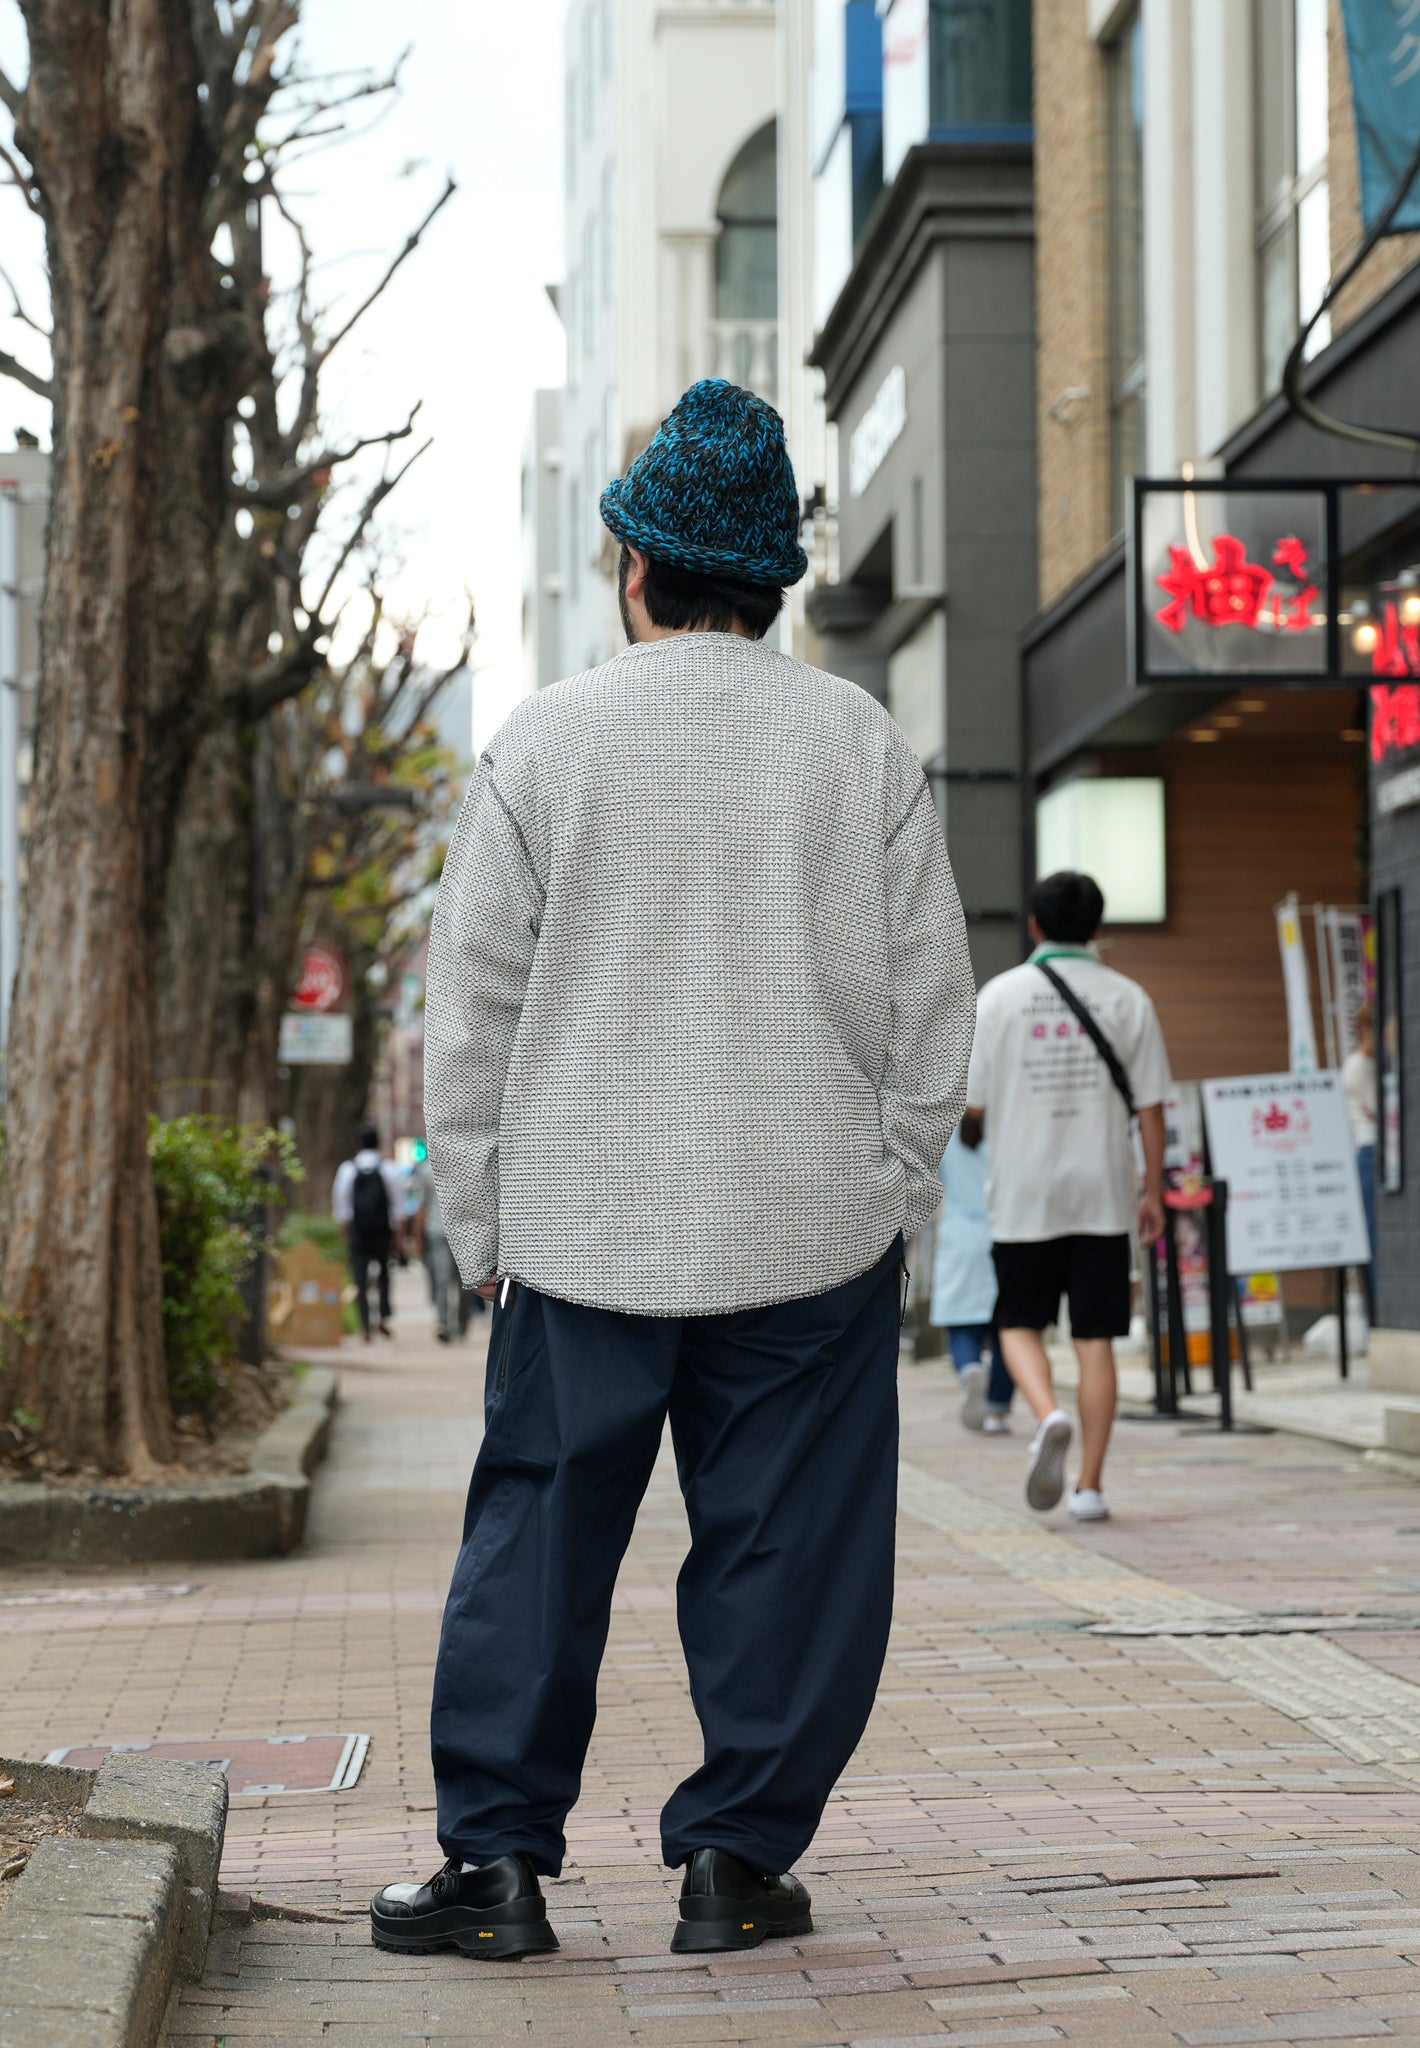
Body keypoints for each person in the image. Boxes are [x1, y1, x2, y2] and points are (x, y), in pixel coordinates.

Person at [371, 379, 974, 1963]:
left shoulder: (545, 742)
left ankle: (496, 1869)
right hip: (807, 1222)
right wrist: (897, 1197)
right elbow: (931, 1005)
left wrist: (476, 1221)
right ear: (769, 586)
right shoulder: (861, 745)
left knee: (540, 1540)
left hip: (584, 1225)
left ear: (634, 570)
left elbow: (475, 1004)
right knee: (790, 1552)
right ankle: (736, 1862)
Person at [966, 872, 1170, 1525]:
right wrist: (1155, 1189)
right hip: (1104, 1192)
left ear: (1033, 926)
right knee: (1097, 1337)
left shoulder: (999, 998)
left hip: (1026, 1190)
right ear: (1098, 928)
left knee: (1018, 1321)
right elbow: (1151, 1109)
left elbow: (972, 1103)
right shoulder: (1129, 998)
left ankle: (1047, 1412)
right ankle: (1089, 1487)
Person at [934, 1112, 1012, 1434]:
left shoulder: (947, 1134)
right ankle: (996, 1412)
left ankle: (968, 1369)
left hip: (960, 1235)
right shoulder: (1004, 1129)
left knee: (962, 1325)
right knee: (1007, 1331)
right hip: (1002, 1231)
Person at [333, 1126, 396, 1339]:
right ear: (378, 1143)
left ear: (357, 1145)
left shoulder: (347, 1169)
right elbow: (398, 1206)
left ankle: (365, 1323)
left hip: (358, 1231)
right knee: (384, 1274)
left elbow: (342, 1207)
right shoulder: (388, 1168)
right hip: (382, 1230)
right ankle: (383, 1316)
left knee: (360, 1277)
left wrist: (346, 1232)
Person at [410, 1145, 469, 1345]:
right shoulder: (467, 1169)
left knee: (442, 1280)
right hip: (463, 1234)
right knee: (465, 1283)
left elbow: (421, 1207)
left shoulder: (427, 1170)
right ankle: (458, 1326)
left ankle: (444, 1323)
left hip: (438, 1231)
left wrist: (417, 1238)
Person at [1343, 1003, 1378, 1313]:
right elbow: (1378, 1112)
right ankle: (1374, 1316)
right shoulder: (1358, 1066)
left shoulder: (1373, 1064)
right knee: (1373, 1239)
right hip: (1369, 1152)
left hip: (1373, 1153)